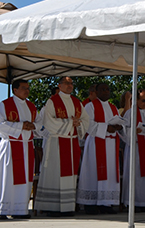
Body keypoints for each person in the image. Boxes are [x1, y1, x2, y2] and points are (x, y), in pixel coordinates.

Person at [36, 76, 90, 216]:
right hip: (57, 142)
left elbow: (86, 119)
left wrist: (79, 123)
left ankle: (67, 207)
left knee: (70, 176)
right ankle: (52, 207)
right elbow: (48, 122)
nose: (70, 86)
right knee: (55, 173)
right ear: (59, 85)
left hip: (71, 142)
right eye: (66, 83)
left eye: (71, 83)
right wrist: (69, 123)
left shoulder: (76, 102)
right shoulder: (52, 101)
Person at [77, 82, 122, 214]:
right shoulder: (90, 106)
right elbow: (87, 124)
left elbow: (118, 121)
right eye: (103, 89)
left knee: (109, 174)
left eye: (107, 89)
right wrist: (106, 127)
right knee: (93, 172)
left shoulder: (113, 108)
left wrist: (119, 127)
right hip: (96, 143)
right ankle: (90, 204)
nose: (106, 91)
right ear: (96, 92)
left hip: (111, 144)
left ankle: (106, 203)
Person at [0, 79, 38, 218]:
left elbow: (39, 123)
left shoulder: (31, 106)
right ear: (14, 90)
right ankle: (3, 210)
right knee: (7, 178)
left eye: (28, 88)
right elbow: (0, 124)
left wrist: (32, 126)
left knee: (25, 178)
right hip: (11, 145)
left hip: (27, 145)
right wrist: (21, 126)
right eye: (23, 88)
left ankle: (20, 210)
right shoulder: (4, 105)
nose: (27, 90)